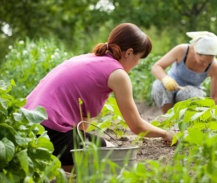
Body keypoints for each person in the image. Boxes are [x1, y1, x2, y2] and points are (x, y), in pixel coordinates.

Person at [24, 23, 174, 172]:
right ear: (128, 53)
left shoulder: (88, 59)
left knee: (99, 152)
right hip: (50, 134)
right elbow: (136, 126)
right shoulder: (117, 74)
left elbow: (83, 120)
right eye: (139, 58)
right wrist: (165, 133)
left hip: (26, 129)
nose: (138, 63)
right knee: (118, 161)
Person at [151, 31, 217, 114]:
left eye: (209, 62)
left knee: (186, 93)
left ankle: (184, 119)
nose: (205, 64)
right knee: (158, 85)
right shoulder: (182, 51)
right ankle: (168, 117)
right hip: (171, 88)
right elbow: (156, 67)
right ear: (195, 51)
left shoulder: (214, 66)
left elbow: (215, 96)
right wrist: (166, 79)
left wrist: (213, 115)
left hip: (191, 93)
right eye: (202, 61)